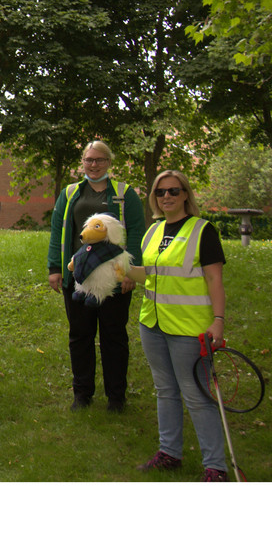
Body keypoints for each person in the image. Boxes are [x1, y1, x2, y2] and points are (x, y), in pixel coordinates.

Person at [137, 170, 229, 481]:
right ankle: (170, 453)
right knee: (165, 391)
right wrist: (119, 270)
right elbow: (151, 275)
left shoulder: (203, 231)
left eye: (174, 191)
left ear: (185, 195)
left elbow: (214, 278)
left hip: (190, 330)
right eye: (161, 192)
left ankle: (216, 467)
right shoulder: (152, 232)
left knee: (197, 396)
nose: (167, 197)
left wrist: (218, 321)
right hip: (152, 323)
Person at [47, 140, 145, 412]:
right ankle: (82, 394)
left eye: (99, 160)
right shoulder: (70, 194)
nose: (93, 164)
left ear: (109, 162)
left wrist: (130, 273)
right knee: (80, 336)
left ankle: (116, 397)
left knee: (114, 337)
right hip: (79, 279)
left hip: (114, 279)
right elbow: (58, 232)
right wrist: (55, 269)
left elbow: (136, 232)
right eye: (89, 159)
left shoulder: (125, 195)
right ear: (83, 162)